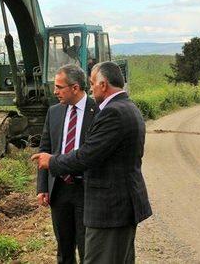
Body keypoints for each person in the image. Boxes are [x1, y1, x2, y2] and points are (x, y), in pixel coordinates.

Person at [32, 61, 152, 264]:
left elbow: (87, 155)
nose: (91, 87)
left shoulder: (109, 111)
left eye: (93, 83)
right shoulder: (127, 107)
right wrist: (43, 184)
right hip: (70, 193)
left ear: (103, 84)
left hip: (104, 203)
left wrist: (53, 163)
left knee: (94, 254)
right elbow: (48, 146)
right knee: (69, 249)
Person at [37, 64, 98, 264]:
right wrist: (43, 187)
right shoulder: (53, 112)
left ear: (75, 87)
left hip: (86, 189)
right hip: (59, 190)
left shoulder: (97, 110)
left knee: (87, 248)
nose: (55, 91)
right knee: (64, 249)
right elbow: (44, 152)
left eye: (59, 87)